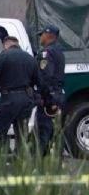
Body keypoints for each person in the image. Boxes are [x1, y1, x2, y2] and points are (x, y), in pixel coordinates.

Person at [0, 36, 42, 157]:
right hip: (26, 99)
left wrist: (0, 82)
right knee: (22, 132)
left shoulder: (4, 56)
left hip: (9, 99)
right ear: (17, 44)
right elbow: (39, 82)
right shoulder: (30, 58)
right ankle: (21, 159)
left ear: (5, 45)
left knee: (0, 131)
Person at [34, 24, 66, 156]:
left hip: (49, 99)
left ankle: (41, 167)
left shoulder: (46, 53)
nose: (40, 37)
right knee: (57, 133)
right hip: (58, 96)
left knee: (43, 134)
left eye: (41, 35)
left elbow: (46, 76)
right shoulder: (58, 51)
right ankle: (56, 164)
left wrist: (44, 98)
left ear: (48, 35)